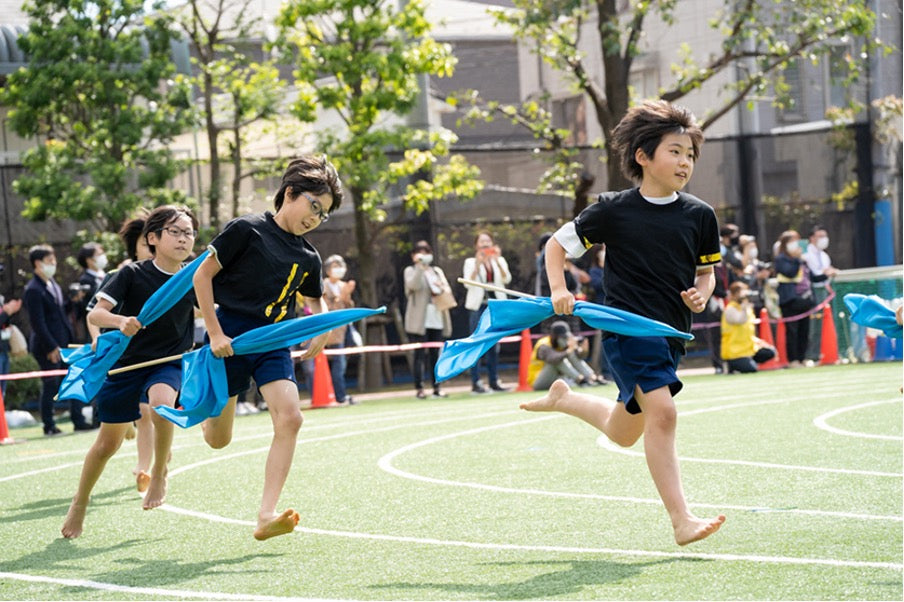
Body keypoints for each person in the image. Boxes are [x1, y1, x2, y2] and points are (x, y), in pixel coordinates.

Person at [522, 99, 726, 546]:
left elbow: (707, 273)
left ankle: (565, 400)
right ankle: (681, 519)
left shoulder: (699, 215)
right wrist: (559, 289)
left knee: (625, 431)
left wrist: (701, 295)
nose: (684, 161)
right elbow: (556, 246)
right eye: (674, 151)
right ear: (643, 156)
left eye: (690, 154)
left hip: (671, 333)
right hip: (627, 330)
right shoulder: (613, 210)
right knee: (665, 414)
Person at [193, 155, 342, 541]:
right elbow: (202, 275)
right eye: (314, 206)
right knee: (217, 439)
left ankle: (265, 514)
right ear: (290, 193)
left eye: (323, 214)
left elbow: (316, 302)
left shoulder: (309, 256)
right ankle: (207, 410)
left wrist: (320, 330)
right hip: (231, 338)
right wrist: (214, 333)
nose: (315, 218)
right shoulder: (246, 230)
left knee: (291, 418)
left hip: (273, 340)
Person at [61, 206, 199, 539]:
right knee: (107, 445)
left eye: (189, 232)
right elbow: (96, 315)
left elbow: (213, 310)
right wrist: (121, 321)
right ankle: (79, 503)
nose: (184, 239)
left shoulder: (194, 276)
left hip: (169, 361)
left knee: (161, 403)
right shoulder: (131, 274)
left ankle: (159, 470)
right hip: (126, 364)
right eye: (175, 232)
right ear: (153, 238)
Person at [85, 213, 156, 489]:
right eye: (144, 243)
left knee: (148, 410)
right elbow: (94, 312)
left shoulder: (169, 274)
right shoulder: (121, 275)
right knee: (131, 414)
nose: (151, 249)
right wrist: (95, 340)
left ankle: (143, 468)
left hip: (153, 356)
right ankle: (125, 423)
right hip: (121, 357)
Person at [22, 244, 94, 435]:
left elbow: (60, 313)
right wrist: (52, 346)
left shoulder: (52, 284)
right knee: (51, 384)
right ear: (37, 263)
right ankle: (49, 424)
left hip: (64, 343)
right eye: (49, 261)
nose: (54, 264)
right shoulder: (33, 289)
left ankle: (78, 420)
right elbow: (37, 323)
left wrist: (74, 301)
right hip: (47, 346)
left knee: (73, 378)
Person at [462, 230, 511, 393]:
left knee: (493, 345)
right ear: (476, 245)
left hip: (495, 306)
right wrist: (478, 263)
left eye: (487, 241)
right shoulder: (470, 262)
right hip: (478, 307)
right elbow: (468, 284)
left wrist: (496, 261)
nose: (485, 244)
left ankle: (493, 381)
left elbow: (506, 279)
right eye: (481, 242)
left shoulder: (500, 260)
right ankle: (476, 382)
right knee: (477, 343)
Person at [403, 240, 452, 399]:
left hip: (436, 316)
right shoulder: (410, 270)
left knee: (435, 354)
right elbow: (413, 286)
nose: (424, 255)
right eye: (420, 252)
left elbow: (446, 289)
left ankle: (437, 387)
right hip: (419, 319)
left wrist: (440, 286)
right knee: (419, 355)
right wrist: (419, 267)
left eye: (426, 252)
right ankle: (419, 388)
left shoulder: (436, 270)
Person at [319, 254, 357, 404]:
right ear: (327, 270)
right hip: (327, 331)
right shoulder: (323, 284)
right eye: (335, 266)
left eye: (341, 266)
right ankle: (334, 395)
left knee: (341, 364)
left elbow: (349, 307)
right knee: (329, 364)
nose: (339, 269)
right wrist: (341, 296)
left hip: (343, 330)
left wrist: (346, 296)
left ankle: (340, 395)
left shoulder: (343, 285)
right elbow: (324, 307)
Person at [527, 320, 604, 390]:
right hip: (538, 382)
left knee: (570, 355)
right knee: (559, 360)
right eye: (562, 338)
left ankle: (592, 377)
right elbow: (554, 359)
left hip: (555, 379)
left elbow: (579, 358)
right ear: (555, 337)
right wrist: (568, 351)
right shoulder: (543, 345)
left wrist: (583, 350)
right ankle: (580, 380)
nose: (564, 340)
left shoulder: (562, 345)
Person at [774, 230, 813, 368]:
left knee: (804, 331)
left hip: (804, 299)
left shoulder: (802, 259)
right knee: (792, 331)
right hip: (789, 301)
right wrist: (797, 260)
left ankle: (803, 358)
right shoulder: (780, 259)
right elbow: (789, 273)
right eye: (792, 241)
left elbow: (811, 276)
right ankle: (793, 360)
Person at [720, 281, 777, 373]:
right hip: (734, 353)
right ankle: (732, 366)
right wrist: (744, 306)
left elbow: (748, 330)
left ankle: (748, 362)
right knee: (752, 369)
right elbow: (740, 321)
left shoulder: (747, 309)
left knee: (770, 352)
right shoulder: (730, 309)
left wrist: (760, 342)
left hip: (749, 349)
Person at [803, 225, 839, 365]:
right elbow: (814, 275)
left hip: (826, 291)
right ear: (812, 238)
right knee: (815, 324)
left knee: (828, 322)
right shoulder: (806, 255)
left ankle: (826, 352)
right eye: (820, 236)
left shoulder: (824, 255)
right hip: (813, 292)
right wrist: (825, 273)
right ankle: (812, 354)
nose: (823, 239)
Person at [72, 242, 108, 344]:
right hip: (96, 327)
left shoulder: (106, 275)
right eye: (99, 255)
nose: (103, 257)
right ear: (89, 260)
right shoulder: (85, 280)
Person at [0, 294, 23, 397]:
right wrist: (6, 313)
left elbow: (5, 324)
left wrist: (10, 312)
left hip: (4, 351)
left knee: (2, 389)